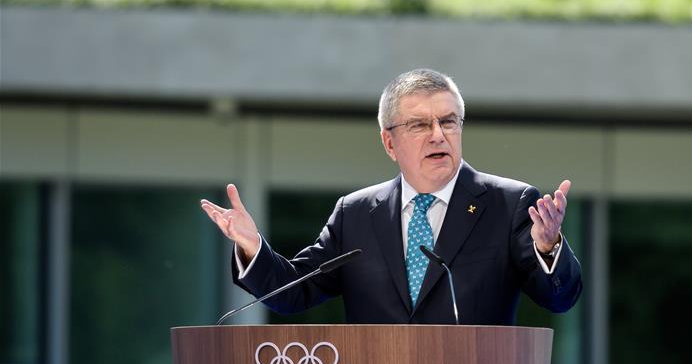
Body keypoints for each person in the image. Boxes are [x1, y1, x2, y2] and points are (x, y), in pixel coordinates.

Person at [201, 68, 582, 324]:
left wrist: (548, 248)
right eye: (419, 125)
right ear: (389, 143)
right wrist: (252, 247)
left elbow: (559, 298)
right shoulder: (356, 213)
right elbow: (294, 293)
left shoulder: (509, 203)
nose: (438, 135)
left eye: (448, 121)